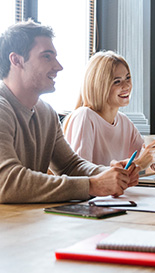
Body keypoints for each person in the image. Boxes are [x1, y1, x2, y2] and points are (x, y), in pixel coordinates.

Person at [0, 20, 141, 203]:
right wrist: (93, 185)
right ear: (16, 60)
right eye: (47, 57)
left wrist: (110, 174)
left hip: (26, 223)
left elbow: (70, 165)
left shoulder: (46, 113)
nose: (59, 66)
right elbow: (6, 182)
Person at [63, 50, 155, 172]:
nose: (127, 86)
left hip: (117, 191)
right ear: (99, 85)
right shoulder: (85, 116)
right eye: (117, 81)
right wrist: (139, 164)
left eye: (128, 78)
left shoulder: (124, 121)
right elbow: (82, 175)